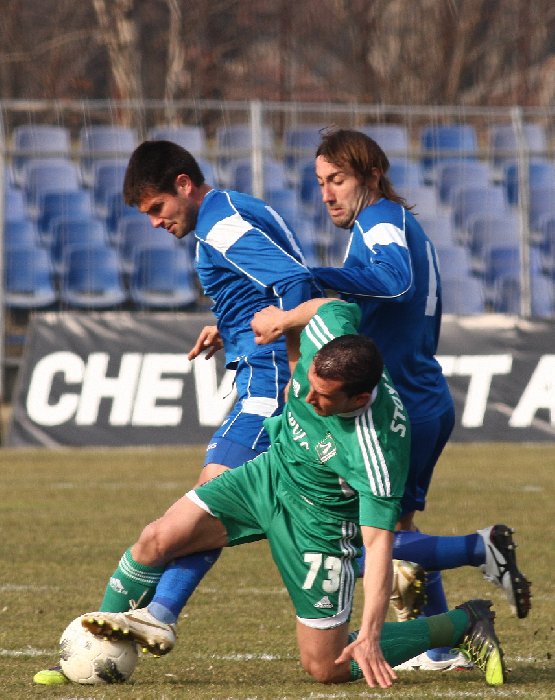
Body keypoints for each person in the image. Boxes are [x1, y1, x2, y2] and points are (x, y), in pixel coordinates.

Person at [78, 299, 506, 688]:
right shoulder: (331, 336)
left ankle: (462, 624)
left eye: (324, 396)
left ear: (359, 398)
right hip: (269, 474)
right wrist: (284, 320)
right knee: (156, 539)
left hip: (320, 524)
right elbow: (333, 305)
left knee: (326, 666)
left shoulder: (377, 450)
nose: (307, 395)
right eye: (310, 383)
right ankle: (90, 657)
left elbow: (378, 546)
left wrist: (371, 633)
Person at [33, 139, 323, 686]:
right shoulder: (233, 210)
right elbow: (267, 285)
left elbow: (295, 284)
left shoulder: (220, 225)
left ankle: (121, 636)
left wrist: (294, 365)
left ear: (184, 185)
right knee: (203, 520)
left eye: (157, 208)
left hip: (269, 391)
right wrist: (231, 327)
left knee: (182, 524)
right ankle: (138, 624)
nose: (155, 223)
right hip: (260, 378)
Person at [310, 129, 531, 670]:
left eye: (337, 180)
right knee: (399, 531)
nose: (327, 194)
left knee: (355, 541)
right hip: (422, 396)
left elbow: (394, 282)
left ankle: (479, 548)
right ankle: (439, 647)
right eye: (320, 182)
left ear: (372, 175)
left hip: (398, 407)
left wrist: (313, 276)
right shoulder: (397, 223)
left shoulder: (380, 222)